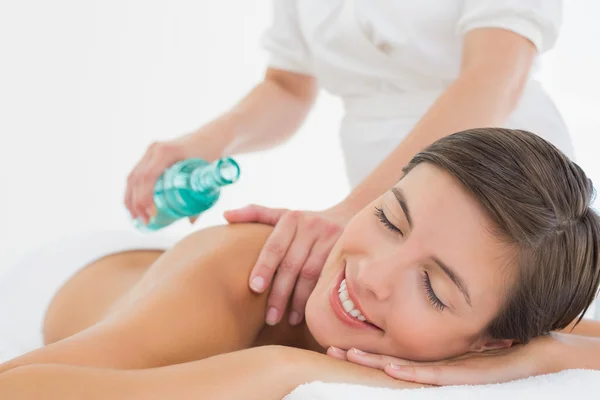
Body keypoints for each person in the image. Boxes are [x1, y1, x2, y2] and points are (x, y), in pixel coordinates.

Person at [1, 128, 600, 398]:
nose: (370, 274)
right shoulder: (244, 276)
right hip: (67, 275)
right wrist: (276, 368)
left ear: (493, 343)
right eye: (390, 219)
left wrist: (547, 352)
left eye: (434, 289)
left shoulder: (507, 318)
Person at [125, 1, 571, 335]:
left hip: (499, 182)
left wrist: (358, 210)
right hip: (390, 200)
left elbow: (495, 75)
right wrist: (205, 142)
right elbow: (287, 86)